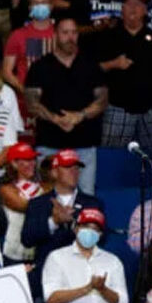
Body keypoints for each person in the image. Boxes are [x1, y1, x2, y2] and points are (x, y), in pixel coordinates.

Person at [25, 15, 107, 194]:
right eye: (65, 32)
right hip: (49, 143)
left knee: (85, 194)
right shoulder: (40, 66)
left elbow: (102, 100)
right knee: (47, 195)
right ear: (55, 35)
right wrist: (57, 119)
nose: (70, 37)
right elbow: (31, 102)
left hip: (84, 144)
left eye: (74, 32)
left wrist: (79, 116)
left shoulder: (91, 65)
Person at [97, 0, 152, 156]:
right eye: (129, 4)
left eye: (138, 5)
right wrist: (114, 64)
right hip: (118, 108)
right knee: (111, 156)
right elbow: (94, 69)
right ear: (122, 10)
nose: (133, 8)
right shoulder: (108, 37)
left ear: (145, 11)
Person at [42, 208, 128, 303]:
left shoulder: (112, 261)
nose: (90, 232)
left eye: (95, 229)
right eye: (85, 227)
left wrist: (103, 289)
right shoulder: (57, 258)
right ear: (76, 229)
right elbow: (51, 298)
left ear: (100, 234)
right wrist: (87, 288)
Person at [22, 149, 105, 293]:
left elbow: (103, 239)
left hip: (82, 274)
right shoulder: (38, 203)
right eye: (67, 167)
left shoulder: (93, 203)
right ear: (54, 172)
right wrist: (53, 221)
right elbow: (27, 238)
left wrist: (74, 225)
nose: (74, 171)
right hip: (46, 276)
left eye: (77, 168)